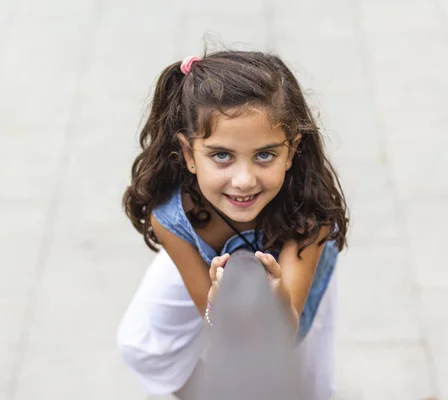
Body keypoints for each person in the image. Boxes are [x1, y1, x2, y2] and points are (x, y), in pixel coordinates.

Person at [116, 50, 348, 400]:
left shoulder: (308, 214)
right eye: (221, 155)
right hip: (202, 255)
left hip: (290, 277)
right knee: (141, 344)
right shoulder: (172, 218)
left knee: (298, 373)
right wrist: (216, 305)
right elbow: (211, 322)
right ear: (190, 155)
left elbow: (285, 331)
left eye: (265, 155)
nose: (243, 181)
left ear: (292, 150)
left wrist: (279, 302)